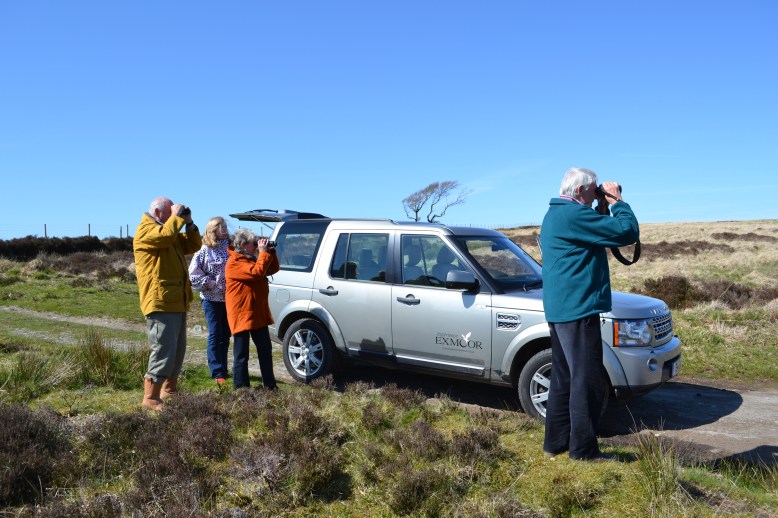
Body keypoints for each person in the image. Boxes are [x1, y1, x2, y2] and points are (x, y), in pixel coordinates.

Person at [539, 167, 639, 461]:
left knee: (564, 379)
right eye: (594, 189)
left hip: (562, 310)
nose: (597, 192)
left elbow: (596, 234)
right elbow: (626, 232)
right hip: (579, 308)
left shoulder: (558, 213)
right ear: (581, 190)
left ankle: (555, 444)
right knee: (587, 380)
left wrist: (602, 207)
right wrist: (618, 202)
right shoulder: (573, 215)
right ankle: (583, 450)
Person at [133, 197, 202, 410]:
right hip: (160, 300)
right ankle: (150, 398)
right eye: (170, 210)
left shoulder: (169, 230)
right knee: (163, 348)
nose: (175, 213)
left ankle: (169, 391)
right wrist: (175, 218)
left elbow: (193, 244)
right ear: (157, 211)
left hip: (176, 300)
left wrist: (189, 223)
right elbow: (163, 238)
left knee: (177, 350)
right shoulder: (145, 231)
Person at [225, 228, 281, 390]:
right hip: (241, 313)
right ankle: (241, 389)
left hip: (257, 313)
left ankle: (270, 387)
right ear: (243, 245)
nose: (257, 245)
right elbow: (256, 273)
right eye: (254, 243)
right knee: (242, 354)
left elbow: (272, 269)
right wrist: (263, 253)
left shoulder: (252, 259)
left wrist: (270, 252)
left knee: (265, 350)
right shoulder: (234, 263)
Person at [189, 217, 231, 384]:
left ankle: (224, 368)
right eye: (221, 227)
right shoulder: (204, 250)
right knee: (215, 333)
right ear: (213, 230)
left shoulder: (230, 248)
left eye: (226, 226)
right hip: (211, 299)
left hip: (228, 298)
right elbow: (193, 274)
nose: (225, 229)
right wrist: (211, 283)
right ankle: (216, 371)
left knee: (226, 334)